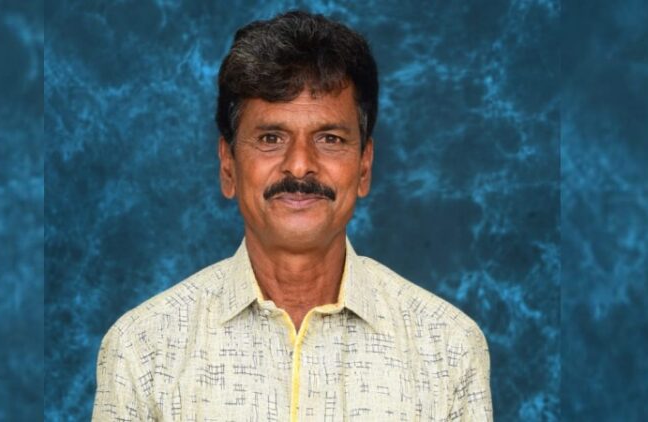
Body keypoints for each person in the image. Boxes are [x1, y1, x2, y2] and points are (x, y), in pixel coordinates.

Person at [92, 10, 492, 422]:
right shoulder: (143, 349)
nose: (300, 165)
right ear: (228, 165)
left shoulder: (448, 349)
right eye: (271, 138)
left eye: (330, 138)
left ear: (364, 166)